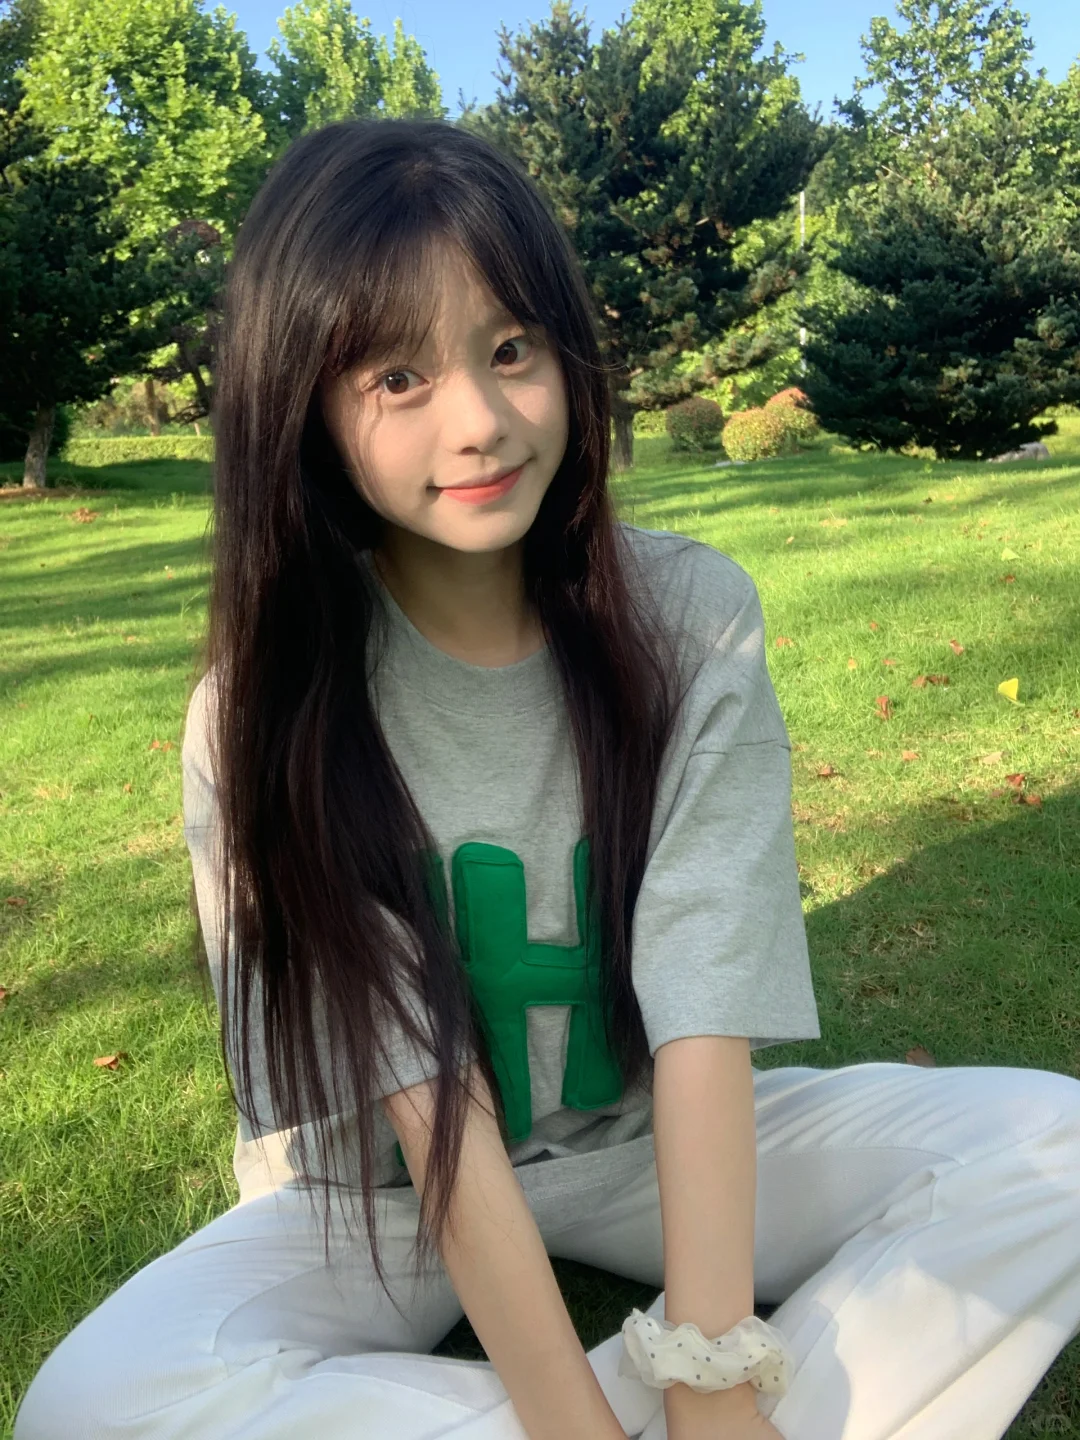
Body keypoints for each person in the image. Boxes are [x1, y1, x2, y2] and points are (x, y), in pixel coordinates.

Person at [14, 117, 1080, 1440]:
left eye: (511, 348)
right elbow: (425, 1104)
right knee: (95, 1402)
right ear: (305, 410)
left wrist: (711, 1372)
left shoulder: (691, 621)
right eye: (397, 377)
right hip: (374, 1202)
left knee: (1057, 1152)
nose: (479, 421)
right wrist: (576, 1421)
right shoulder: (260, 714)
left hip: (633, 1147)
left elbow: (703, 1005)